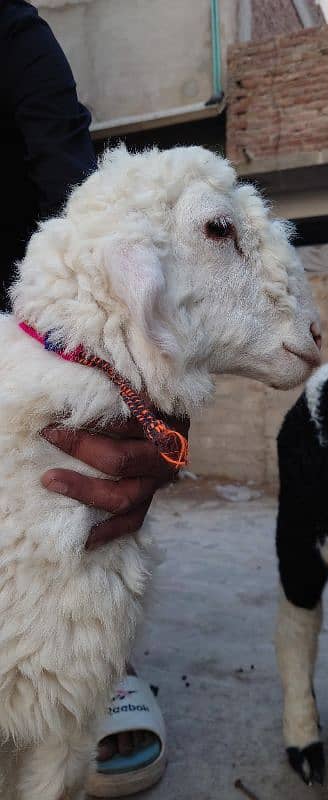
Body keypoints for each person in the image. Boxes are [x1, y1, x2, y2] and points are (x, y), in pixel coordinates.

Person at [1, 1, 185, 793]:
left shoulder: (11, 34)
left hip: (23, 329)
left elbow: (81, 204)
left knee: (74, 503)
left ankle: (98, 655)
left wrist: (142, 395)